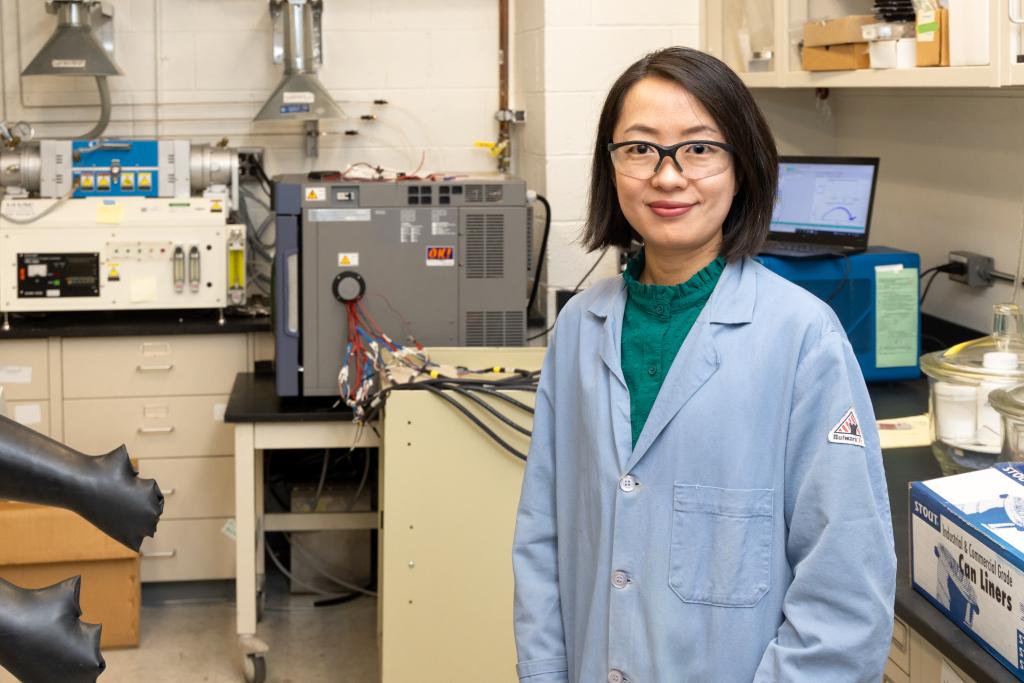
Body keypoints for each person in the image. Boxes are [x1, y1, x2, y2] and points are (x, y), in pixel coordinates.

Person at [512, 46, 896, 683]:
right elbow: (543, 542)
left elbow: (844, 590)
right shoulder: (582, 326)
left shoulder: (802, 337)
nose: (667, 177)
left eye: (699, 148)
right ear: (610, 169)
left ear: (742, 167)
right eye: (639, 149)